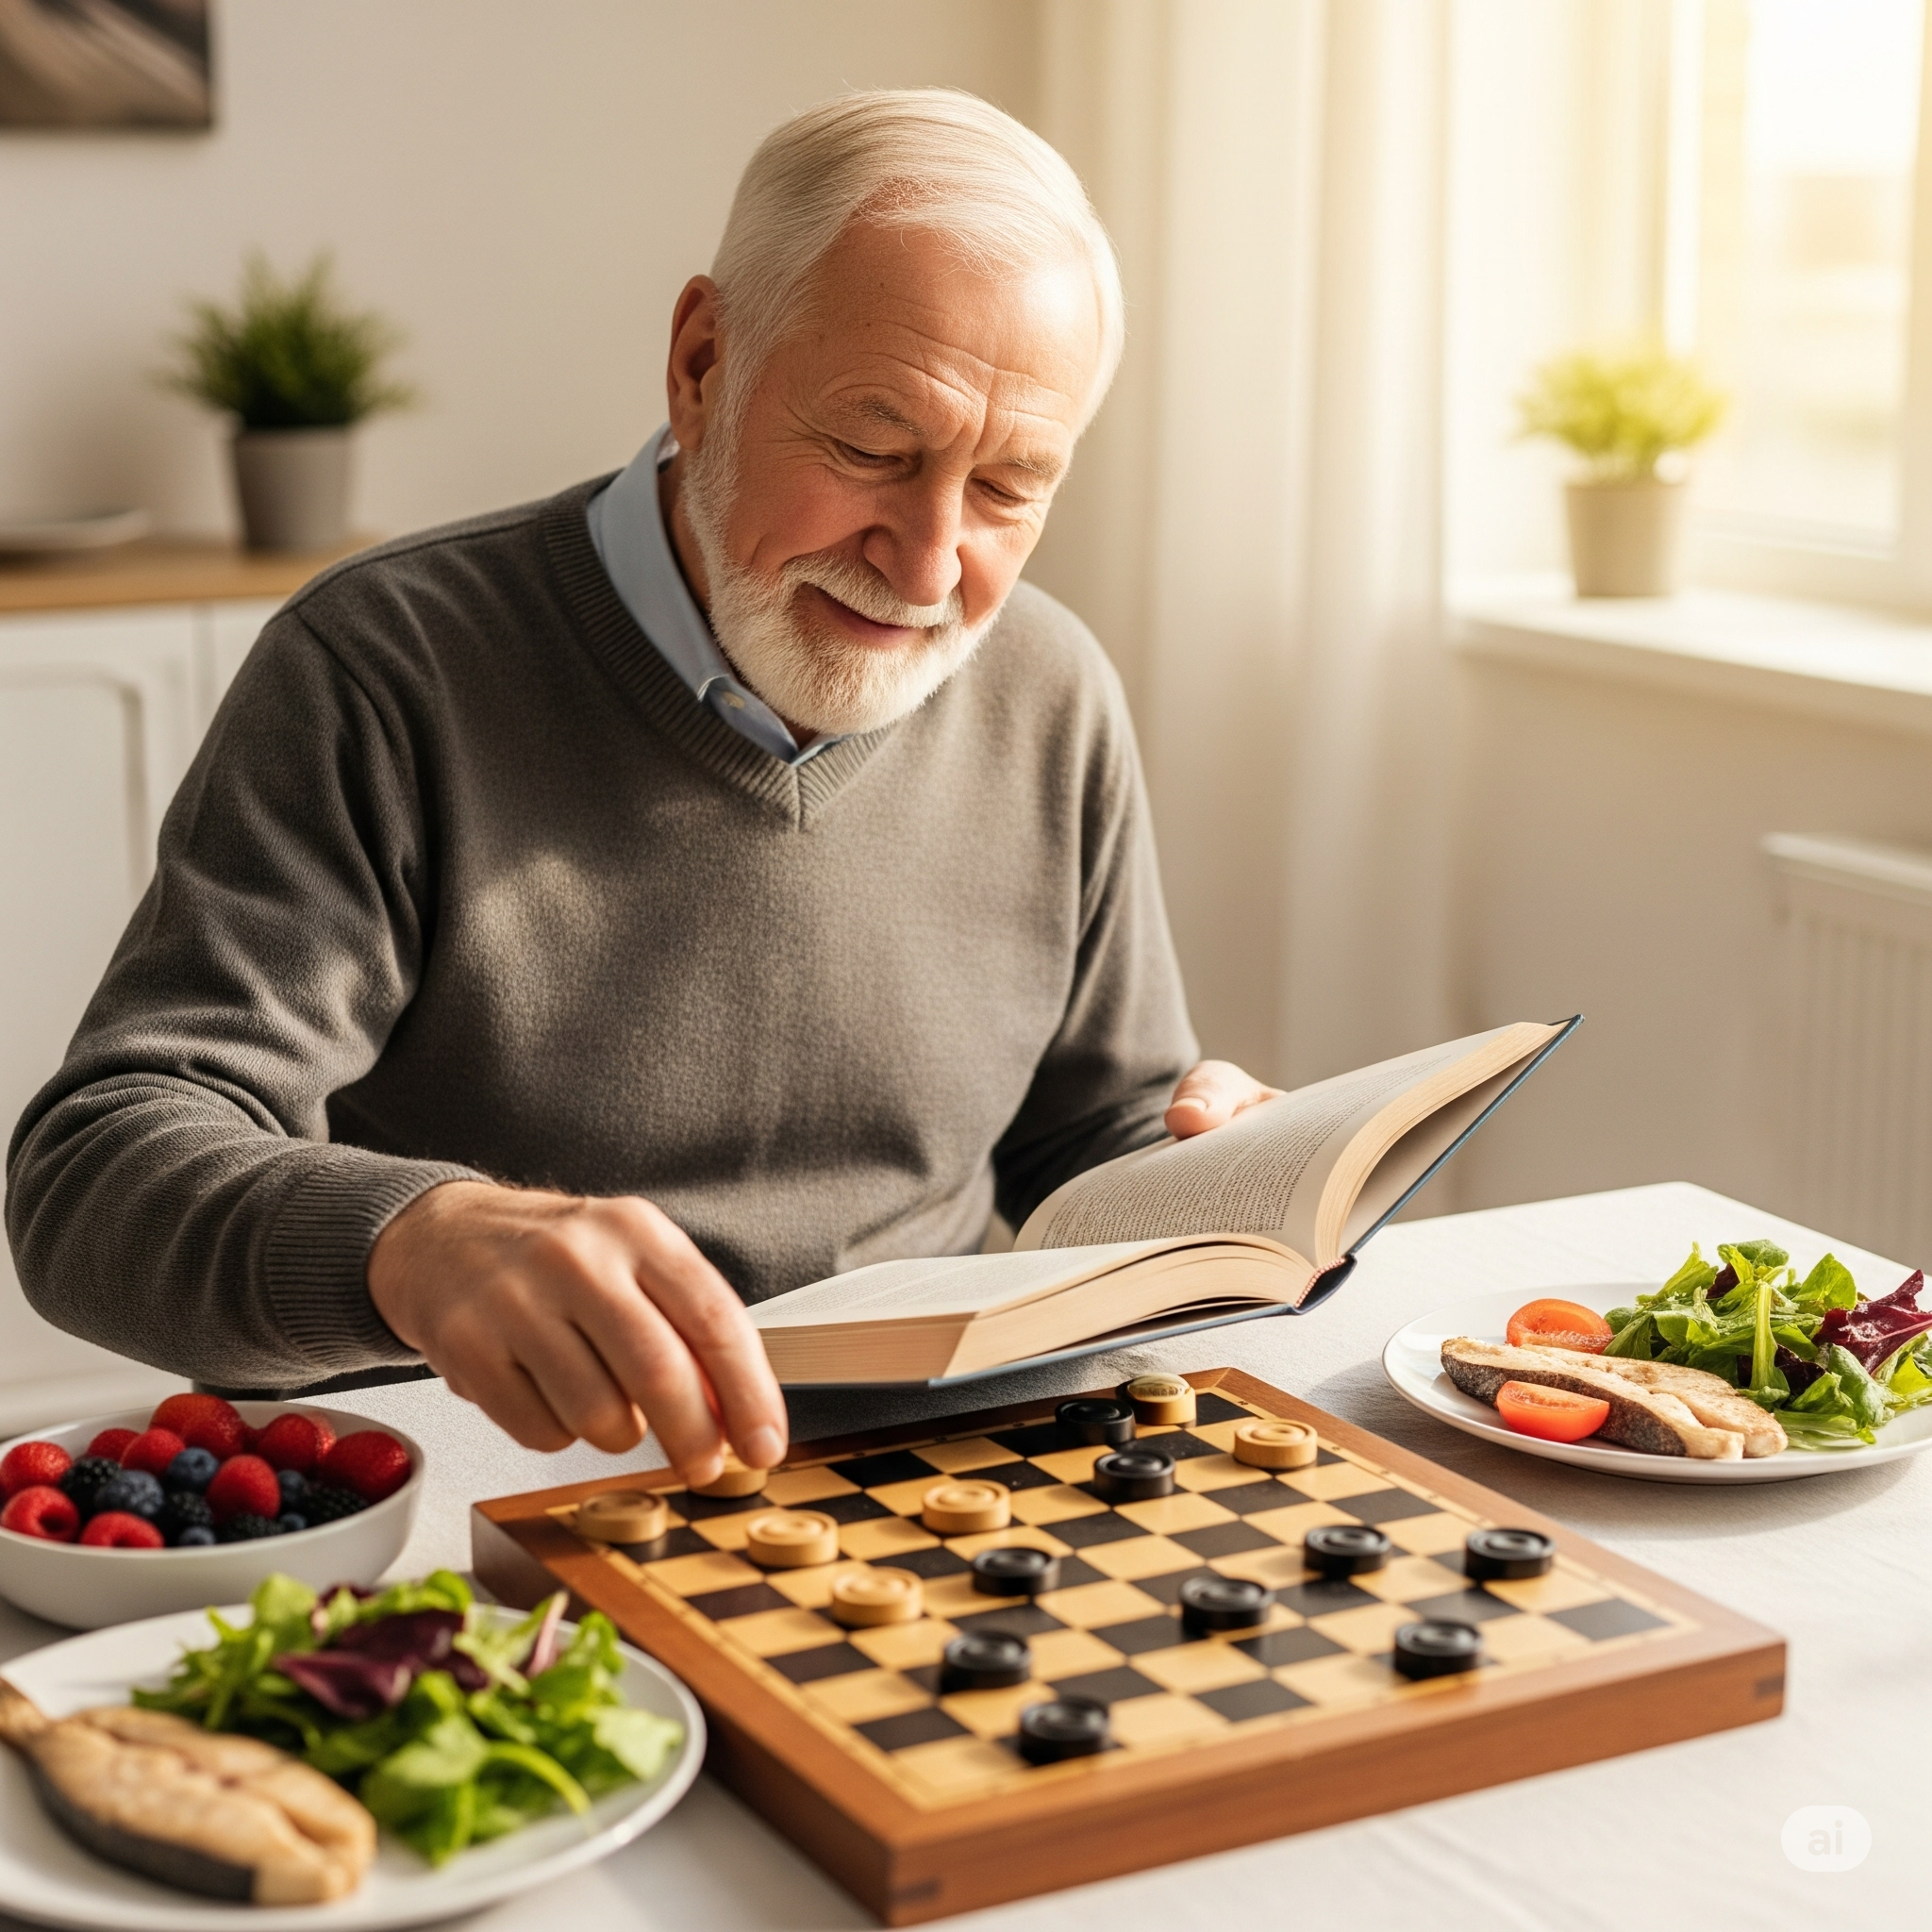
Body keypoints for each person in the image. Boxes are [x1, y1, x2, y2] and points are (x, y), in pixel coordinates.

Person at [6, 90, 1280, 1487]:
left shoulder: (1052, 689)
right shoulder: (385, 665)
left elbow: (1081, 1140)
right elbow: (92, 1178)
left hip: (928, 1485)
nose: (927, 568)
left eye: (1008, 487)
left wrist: (1201, 1167)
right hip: (493, 1493)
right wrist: (410, 1241)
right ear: (699, 361)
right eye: (872, 449)